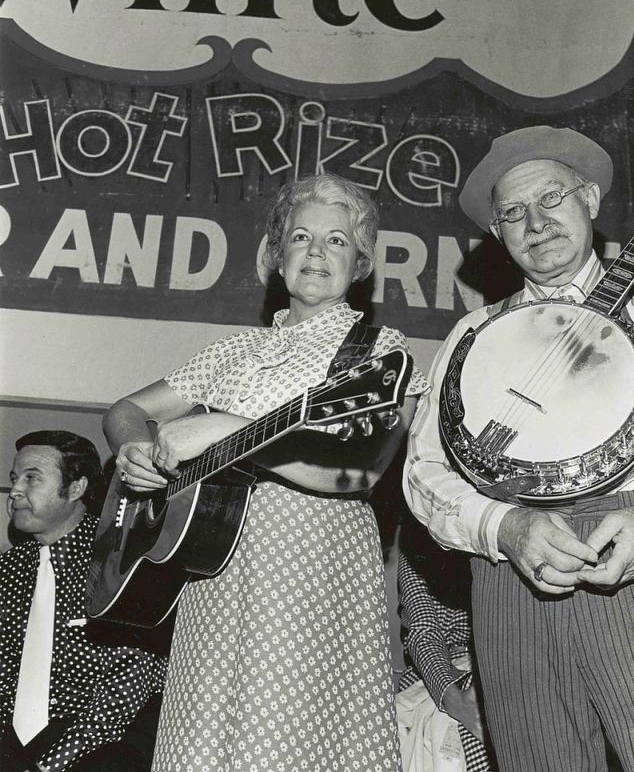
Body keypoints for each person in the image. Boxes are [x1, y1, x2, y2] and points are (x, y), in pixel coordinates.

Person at [403, 125, 634, 772]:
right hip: (508, 578)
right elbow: (425, 475)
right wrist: (503, 524)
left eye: (551, 198)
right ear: (495, 232)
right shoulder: (472, 335)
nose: (535, 222)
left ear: (590, 200)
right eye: (512, 211)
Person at [103, 173, 428, 772]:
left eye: (337, 240)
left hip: (309, 564)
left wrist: (229, 429)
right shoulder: (230, 350)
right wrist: (133, 452)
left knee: (290, 739)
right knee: (202, 738)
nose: (316, 251)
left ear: (361, 262)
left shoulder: (379, 349)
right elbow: (126, 411)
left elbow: (362, 473)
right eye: (301, 237)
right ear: (277, 257)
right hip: (206, 565)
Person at [0, 430, 167, 772]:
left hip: (98, 745)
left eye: (32, 478)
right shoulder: (8, 568)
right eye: (15, 479)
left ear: (76, 488)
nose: (15, 491)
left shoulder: (120, 557)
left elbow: (127, 687)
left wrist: (48, 766)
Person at [396, 515, 496, 772]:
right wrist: (453, 698)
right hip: (439, 672)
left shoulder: (500, 532)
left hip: (500, 664)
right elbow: (423, 632)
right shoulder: (417, 539)